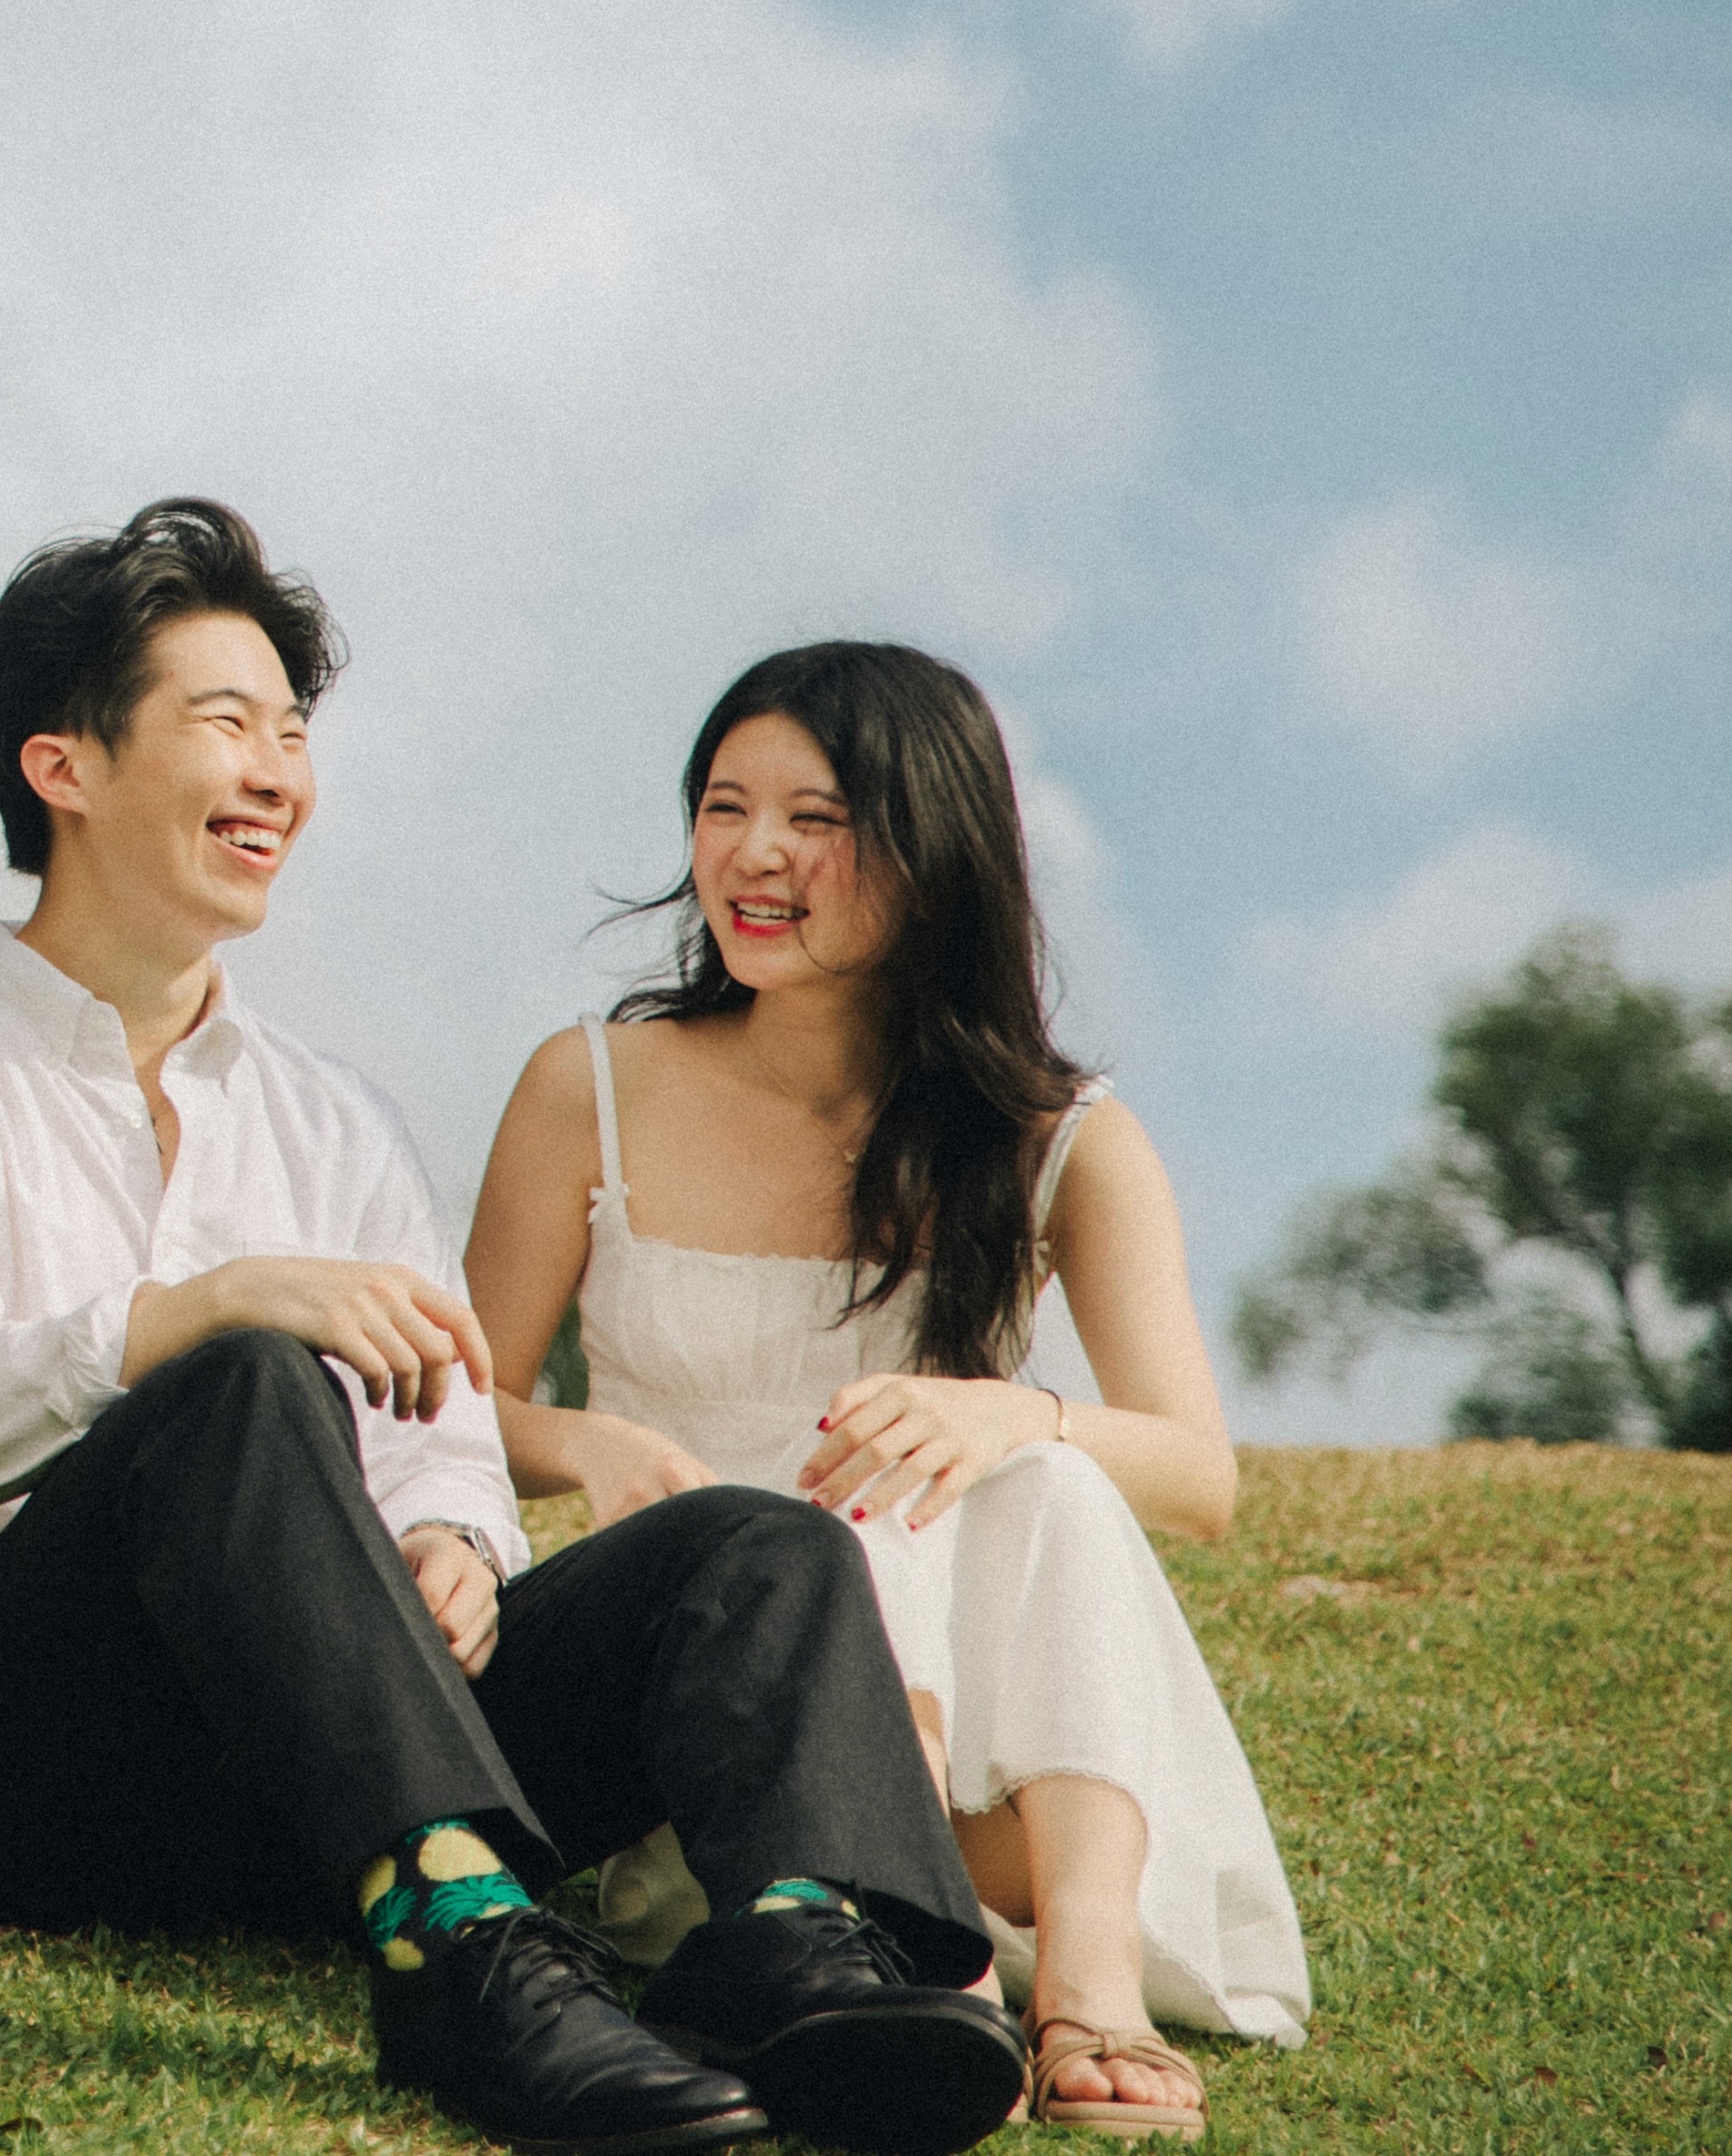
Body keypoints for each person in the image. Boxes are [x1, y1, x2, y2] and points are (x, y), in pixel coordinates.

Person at [0, 500, 1026, 2156]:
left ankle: (809, 1951)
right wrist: (199, 1310)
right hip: (17, 1763)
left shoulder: (335, 1118)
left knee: (758, 1548)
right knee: (234, 1383)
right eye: (226, 721)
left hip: (305, 1765)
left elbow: (437, 1413)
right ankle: (463, 1949)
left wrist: (452, 1532)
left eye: (294, 731)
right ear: (61, 765)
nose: (281, 772)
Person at [462, 643, 1311, 2141]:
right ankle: (924, 1952)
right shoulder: (586, 1083)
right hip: (720, 1737)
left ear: (936, 852)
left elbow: (1200, 1474)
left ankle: (1086, 1983)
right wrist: (585, 1438)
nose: (755, 854)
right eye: (725, 808)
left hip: (1010, 1766)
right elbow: (451, 1414)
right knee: (823, 1533)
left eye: (817, 816)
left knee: (1029, 1475)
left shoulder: (1063, 1138)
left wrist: (1015, 1410)